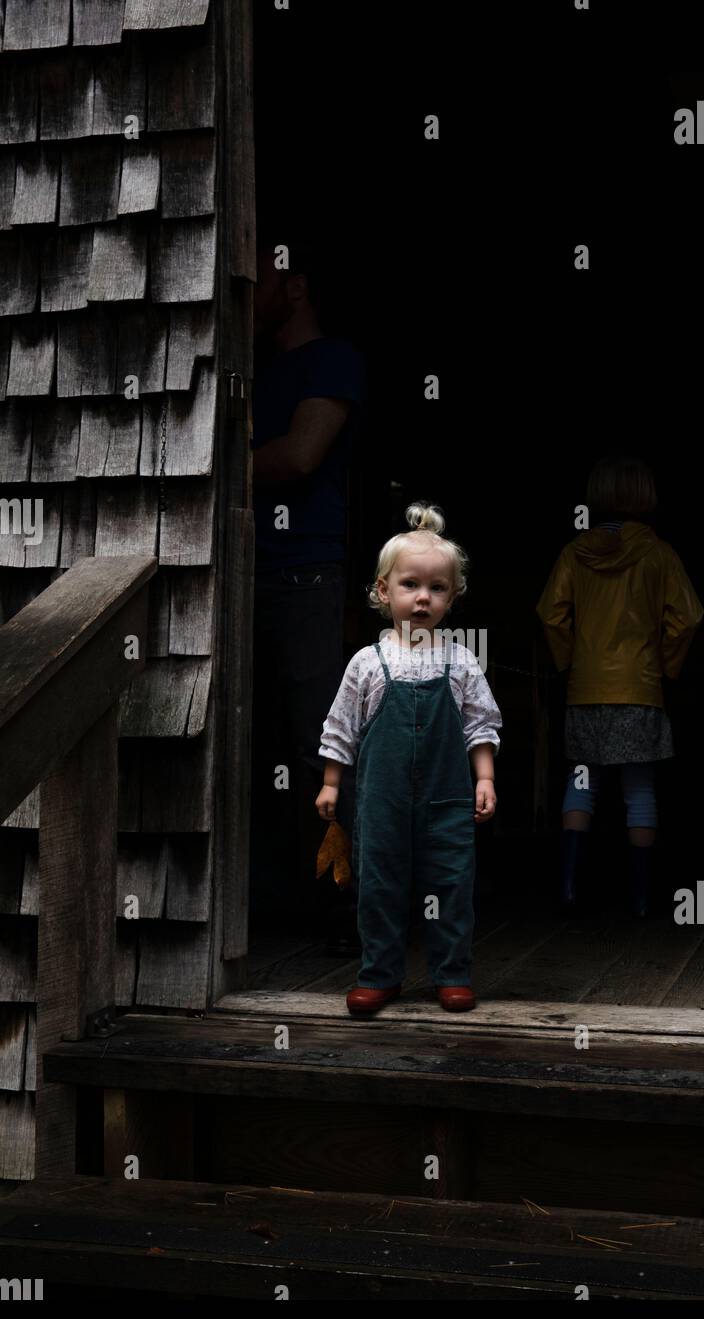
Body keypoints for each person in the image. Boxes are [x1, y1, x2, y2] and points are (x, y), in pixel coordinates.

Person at [316, 502, 502, 1016]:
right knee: (378, 884)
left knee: (451, 882)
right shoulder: (367, 662)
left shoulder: (459, 659)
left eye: (437, 588)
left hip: (447, 799)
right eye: (410, 585)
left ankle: (452, 974)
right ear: (383, 591)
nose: (423, 598)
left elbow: (480, 725)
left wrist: (483, 776)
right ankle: (379, 975)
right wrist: (332, 783)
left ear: (453, 595)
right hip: (382, 802)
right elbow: (342, 728)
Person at [250, 230, 367, 948]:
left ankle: (343, 911)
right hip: (248, 576)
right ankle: (270, 904)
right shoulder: (254, 371)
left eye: (258, 272)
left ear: (294, 284)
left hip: (308, 579)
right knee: (251, 742)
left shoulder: (335, 360)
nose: (244, 286)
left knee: (316, 746)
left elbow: (298, 456)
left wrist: (227, 461)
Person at [535, 456, 703, 918]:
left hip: (586, 689)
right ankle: (641, 899)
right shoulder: (659, 553)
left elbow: (551, 613)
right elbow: (687, 617)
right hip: (640, 688)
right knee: (640, 790)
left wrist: (570, 660)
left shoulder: (574, 552)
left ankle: (569, 889)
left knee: (581, 783)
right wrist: (667, 666)